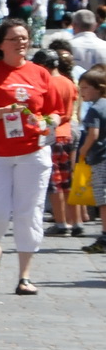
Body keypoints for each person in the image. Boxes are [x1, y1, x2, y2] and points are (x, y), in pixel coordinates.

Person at [0, 20, 56, 295]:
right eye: (14, 39)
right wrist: (3, 111)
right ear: (1, 44)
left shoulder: (40, 73)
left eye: (24, 38)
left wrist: (49, 121)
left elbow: (55, 112)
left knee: (30, 213)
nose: (21, 43)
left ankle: (24, 276)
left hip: (33, 153)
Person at [31, 49, 82, 236]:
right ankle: (75, 221)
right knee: (69, 181)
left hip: (53, 134)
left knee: (55, 182)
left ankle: (61, 223)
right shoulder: (68, 82)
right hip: (69, 131)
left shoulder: (46, 83)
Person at [76, 66, 106, 253]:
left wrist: (83, 152)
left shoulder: (94, 109)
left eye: (85, 88)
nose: (82, 92)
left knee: (102, 199)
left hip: (100, 158)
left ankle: (104, 236)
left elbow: (92, 134)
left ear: (98, 87)